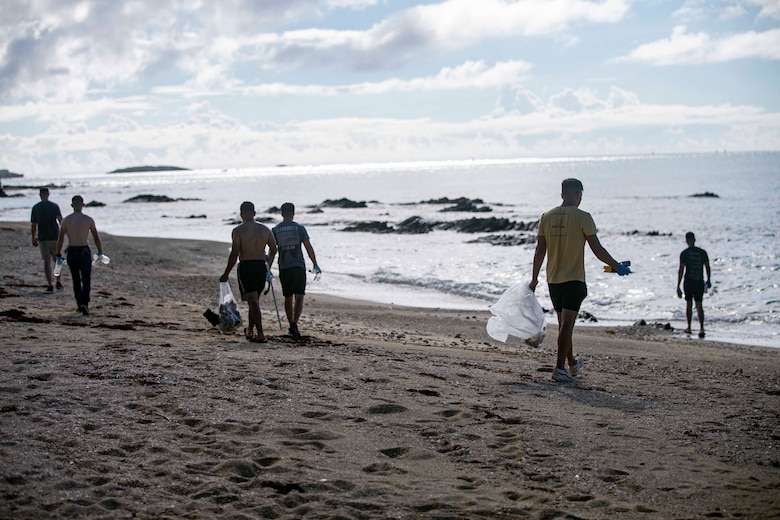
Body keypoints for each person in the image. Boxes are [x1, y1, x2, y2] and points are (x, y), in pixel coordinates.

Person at [530, 178, 630, 383]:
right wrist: (617, 266)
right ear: (578, 195)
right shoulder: (583, 217)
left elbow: (540, 250)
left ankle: (572, 364)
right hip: (574, 279)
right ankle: (558, 368)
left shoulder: (546, 217)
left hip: (553, 279)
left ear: (562, 194)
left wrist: (534, 278)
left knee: (564, 324)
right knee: (567, 325)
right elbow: (597, 249)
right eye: (580, 195)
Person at [220, 201, 277, 343]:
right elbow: (274, 249)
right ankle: (250, 331)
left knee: (253, 302)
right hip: (260, 267)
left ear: (241, 214)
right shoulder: (265, 229)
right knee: (254, 301)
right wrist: (268, 264)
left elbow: (234, 254)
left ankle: (261, 334)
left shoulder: (238, 231)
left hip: (246, 266)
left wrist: (226, 273)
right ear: (254, 213)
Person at [272, 202, 320, 338]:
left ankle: (290, 323)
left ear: (281, 213)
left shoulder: (275, 230)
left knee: (288, 297)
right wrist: (315, 264)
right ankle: (294, 323)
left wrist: (268, 267)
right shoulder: (300, 228)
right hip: (298, 265)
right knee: (299, 296)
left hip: (284, 266)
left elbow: (272, 251)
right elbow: (308, 247)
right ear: (293, 213)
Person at [56, 195, 103, 315]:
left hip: (72, 250)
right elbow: (96, 237)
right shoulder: (88, 220)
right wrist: (100, 251)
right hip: (84, 250)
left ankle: (79, 303)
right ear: (83, 205)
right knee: (86, 279)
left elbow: (60, 239)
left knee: (76, 279)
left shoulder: (66, 220)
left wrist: (58, 253)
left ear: (72, 206)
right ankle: (85, 303)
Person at [677, 231, 711, 338]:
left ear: (687, 240)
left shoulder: (684, 253)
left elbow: (681, 270)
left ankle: (689, 327)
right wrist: (708, 280)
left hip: (689, 282)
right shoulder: (702, 252)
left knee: (689, 305)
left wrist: (678, 285)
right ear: (694, 240)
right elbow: (707, 267)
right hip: (699, 281)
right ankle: (701, 328)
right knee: (699, 305)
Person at [31, 187, 63, 291]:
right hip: (54, 236)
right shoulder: (54, 206)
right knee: (57, 260)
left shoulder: (36, 207)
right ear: (48, 194)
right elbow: (60, 221)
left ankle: (50, 284)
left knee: (47, 261)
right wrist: (64, 233)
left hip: (43, 237)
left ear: (40, 195)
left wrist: (33, 238)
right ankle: (58, 281)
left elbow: (34, 225)